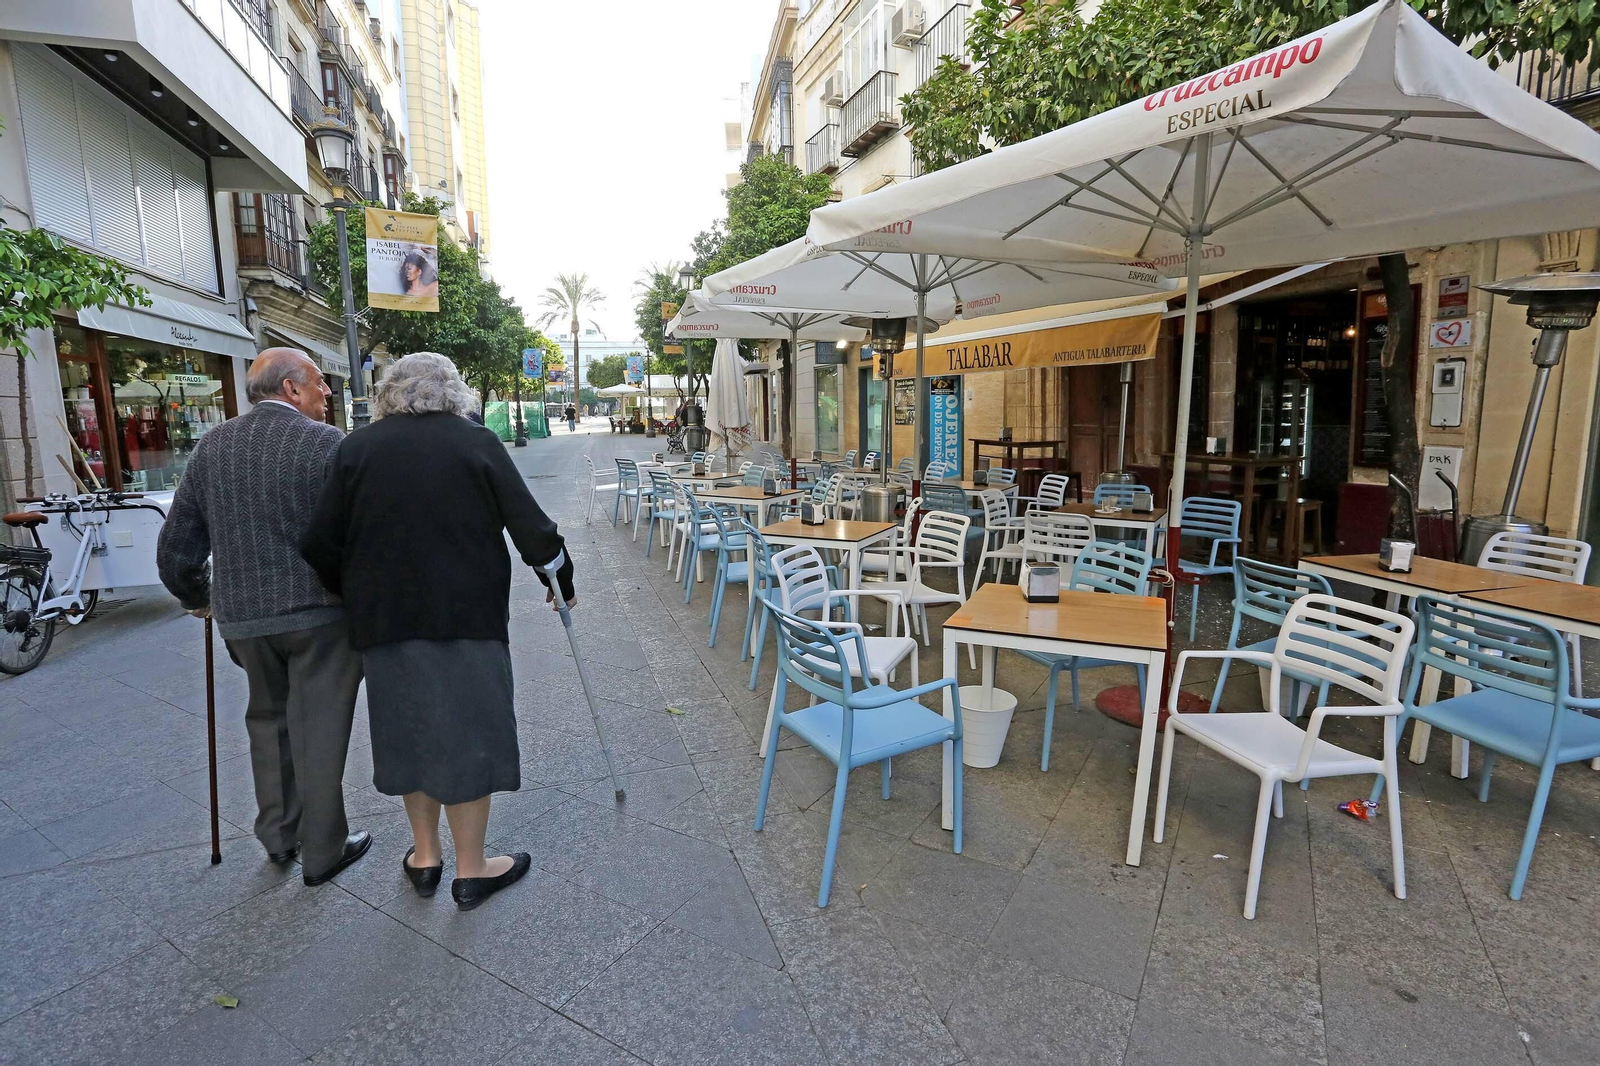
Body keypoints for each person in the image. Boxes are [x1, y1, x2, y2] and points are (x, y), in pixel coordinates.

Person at [300, 353, 576, 911]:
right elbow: (531, 527)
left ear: (389, 392)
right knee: (471, 733)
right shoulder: (476, 443)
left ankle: (425, 857)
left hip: (387, 620)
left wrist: (353, 588)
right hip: (468, 616)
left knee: (410, 730)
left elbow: (319, 541)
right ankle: (471, 869)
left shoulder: (356, 449)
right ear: (453, 391)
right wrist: (560, 580)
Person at [157, 348, 370, 885]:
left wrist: (197, 595)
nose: (328, 392)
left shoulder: (212, 446)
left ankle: (278, 835)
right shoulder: (326, 444)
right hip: (319, 614)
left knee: (268, 721)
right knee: (318, 729)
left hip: (244, 617)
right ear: (292, 388)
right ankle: (323, 851)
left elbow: (175, 548)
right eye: (319, 382)